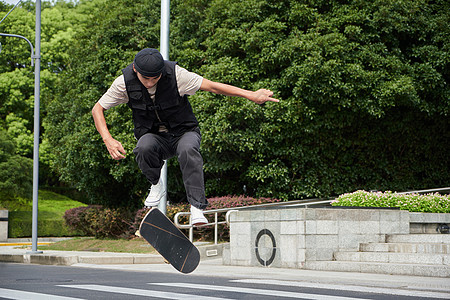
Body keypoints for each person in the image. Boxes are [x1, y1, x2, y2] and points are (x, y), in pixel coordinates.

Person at [92, 48, 279, 226]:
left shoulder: (177, 75)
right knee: (143, 147)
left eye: (155, 78)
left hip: (184, 133)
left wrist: (251, 95)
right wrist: (108, 139)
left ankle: (197, 207)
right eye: (145, 78)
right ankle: (156, 184)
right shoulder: (123, 83)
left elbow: (213, 87)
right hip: (155, 138)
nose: (149, 83)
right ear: (135, 69)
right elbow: (98, 108)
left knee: (188, 149)